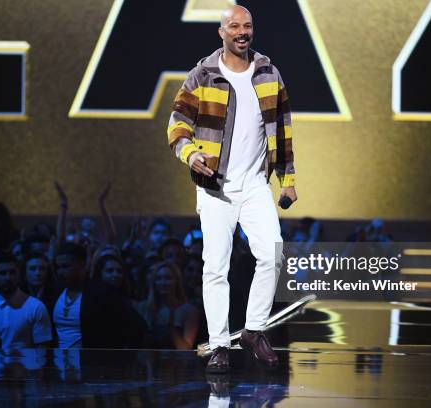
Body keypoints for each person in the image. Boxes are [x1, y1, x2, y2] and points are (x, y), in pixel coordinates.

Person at [167, 5, 296, 372]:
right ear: (221, 32)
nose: (242, 32)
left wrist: (288, 181)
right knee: (215, 268)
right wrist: (190, 155)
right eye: (235, 26)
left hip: (255, 184)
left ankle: (254, 329)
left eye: (248, 25)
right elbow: (177, 124)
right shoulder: (202, 75)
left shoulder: (269, 72)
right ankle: (220, 344)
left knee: (272, 255)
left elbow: (283, 130)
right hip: (214, 186)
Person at [53, 242, 146, 349]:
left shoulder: (103, 292)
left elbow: (138, 326)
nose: (60, 272)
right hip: (59, 362)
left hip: (91, 363)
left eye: (66, 266)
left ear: (82, 264)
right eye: (58, 267)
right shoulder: (56, 292)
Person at [0, 253, 53, 349]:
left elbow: (42, 351)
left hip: (24, 363)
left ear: (19, 276)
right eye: (2, 273)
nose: (8, 278)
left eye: (12, 273)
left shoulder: (36, 307)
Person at [137, 261, 199, 350]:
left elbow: (186, 349)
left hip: (178, 361)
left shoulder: (189, 311)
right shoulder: (143, 308)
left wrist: (170, 328)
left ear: (176, 281)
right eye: (158, 278)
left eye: (168, 278)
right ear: (153, 282)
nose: (163, 282)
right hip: (147, 362)